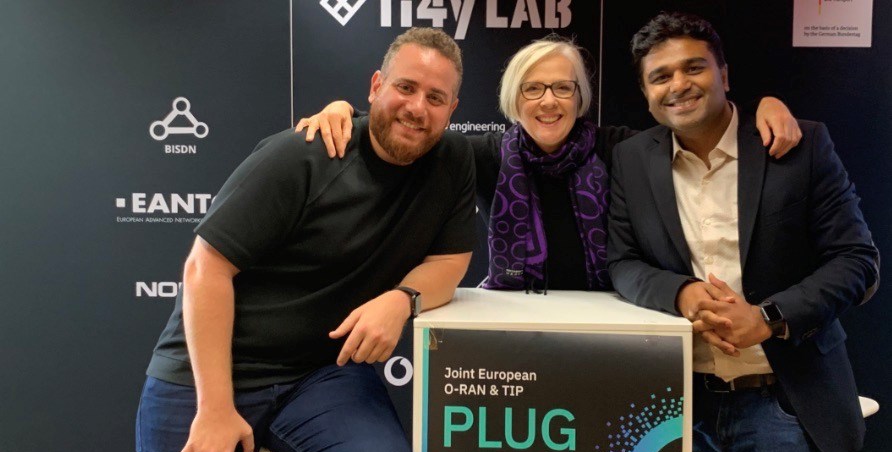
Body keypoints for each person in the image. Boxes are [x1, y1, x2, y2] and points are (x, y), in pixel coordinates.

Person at [136, 27, 475, 452]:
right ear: (376, 86)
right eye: (406, 87)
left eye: (436, 97)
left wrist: (402, 301)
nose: (418, 108)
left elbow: (450, 258)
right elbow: (204, 270)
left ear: (452, 109)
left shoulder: (453, 159)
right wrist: (215, 408)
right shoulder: (304, 154)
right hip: (211, 371)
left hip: (319, 373)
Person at [607, 12, 879, 452]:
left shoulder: (800, 144)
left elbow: (857, 260)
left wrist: (769, 318)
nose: (678, 85)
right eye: (660, 76)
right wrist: (682, 294)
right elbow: (623, 263)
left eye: (695, 68)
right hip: (678, 406)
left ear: (724, 75)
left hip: (784, 403)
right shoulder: (632, 159)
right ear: (646, 92)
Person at [296, 35, 801, 292]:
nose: (548, 102)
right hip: (516, 322)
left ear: (580, 97)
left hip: (614, 324)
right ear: (514, 99)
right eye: (532, 89)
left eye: (563, 88)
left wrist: (761, 106)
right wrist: (347, 111)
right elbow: (408, 129)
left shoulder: (620, 147)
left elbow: (696, 121)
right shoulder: (485, 155)